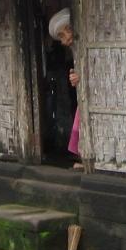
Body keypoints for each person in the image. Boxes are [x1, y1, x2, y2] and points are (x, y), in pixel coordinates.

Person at [48, 9, 81, 167]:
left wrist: (81, 76)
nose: (62, 41)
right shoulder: (75, 50)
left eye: (62, 35)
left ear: (70, 29)